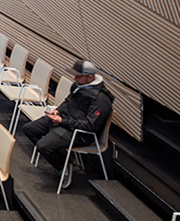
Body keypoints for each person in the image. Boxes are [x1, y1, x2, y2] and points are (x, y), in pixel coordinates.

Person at [21, 59, 114, 189]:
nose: (75, 78)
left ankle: (63, 165)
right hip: (64, 121)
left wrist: (62, 121)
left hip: (78, 132)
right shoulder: (78, 85)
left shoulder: (101, 99)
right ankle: (61, 156)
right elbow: (68, 101)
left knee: (43, 146)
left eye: (78, 75)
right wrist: (57, 111)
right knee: (29, 129)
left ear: (90, 77)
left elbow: (90, 126)